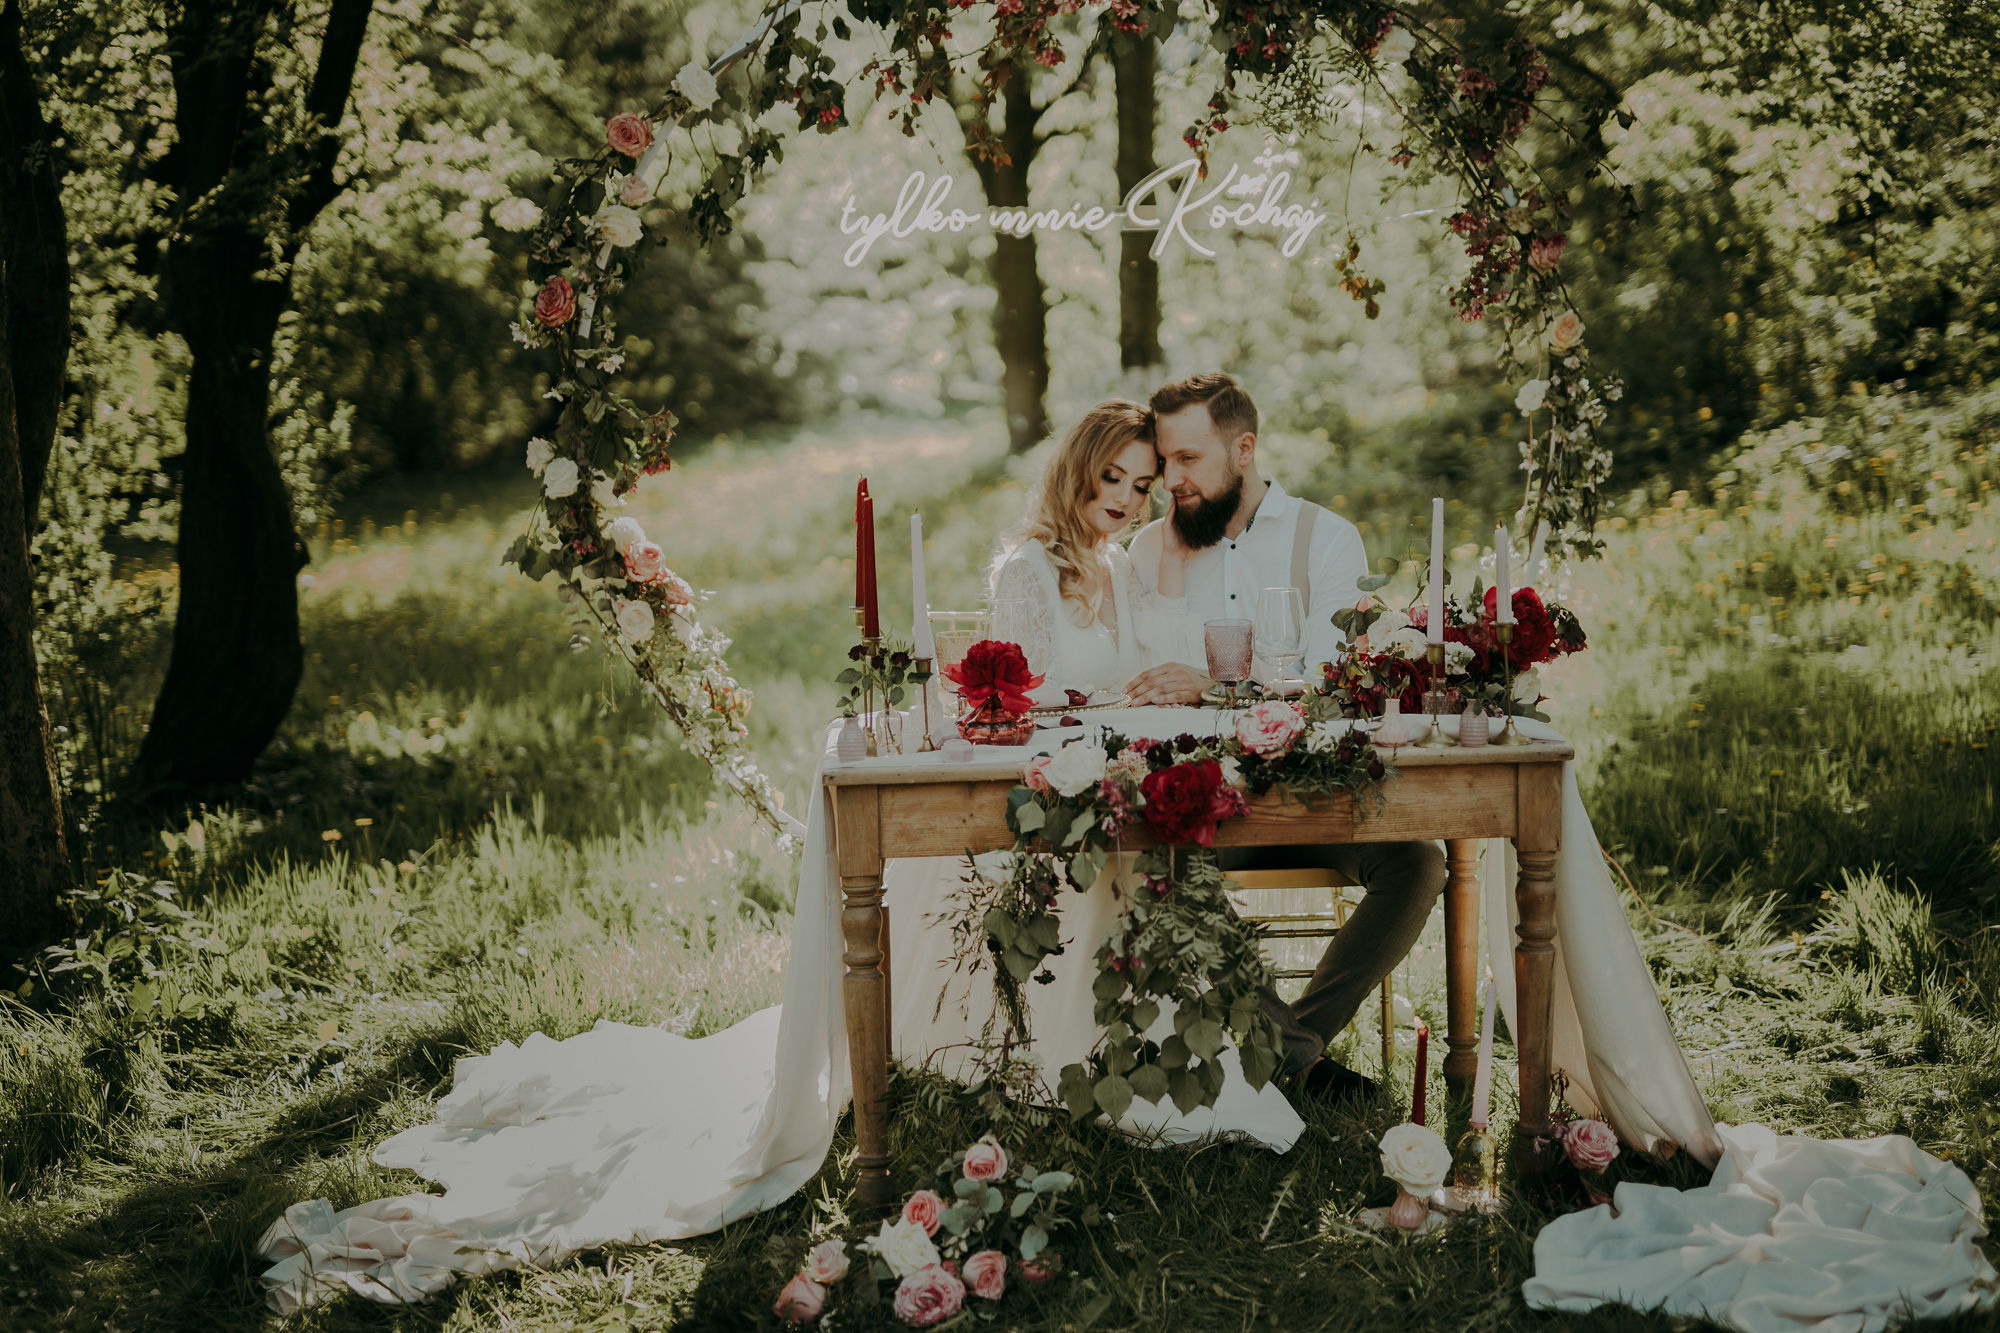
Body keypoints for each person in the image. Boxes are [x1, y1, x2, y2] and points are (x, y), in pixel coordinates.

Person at [885, 399, 1304, 1148]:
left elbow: (1151, 664)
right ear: (1078, 468)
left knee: (1172, 855)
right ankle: (1100, 1057)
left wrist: (1170, 561)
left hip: (1108, 781)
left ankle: (1202, 1047)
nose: (1123, 498)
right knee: (1147, 865)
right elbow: (1018, 708)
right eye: (1112, 476)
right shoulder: (1028, 568)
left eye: (1141, 485)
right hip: (1045, 794)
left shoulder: (1115, 563)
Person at [1124, 371, 1447, 1106]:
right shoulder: (1146, 553)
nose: (1170, 480)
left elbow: (1336, 683)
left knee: (1420, 864)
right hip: (1205, 812)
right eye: (1164, 461)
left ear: (1245, 448)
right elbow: (1135, 682)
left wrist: (1212, 686)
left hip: (1314, 799)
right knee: (1160, 870)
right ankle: (1303, 1067)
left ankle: (1286, 1045)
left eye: (1189, 460)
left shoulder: (1326, 539)